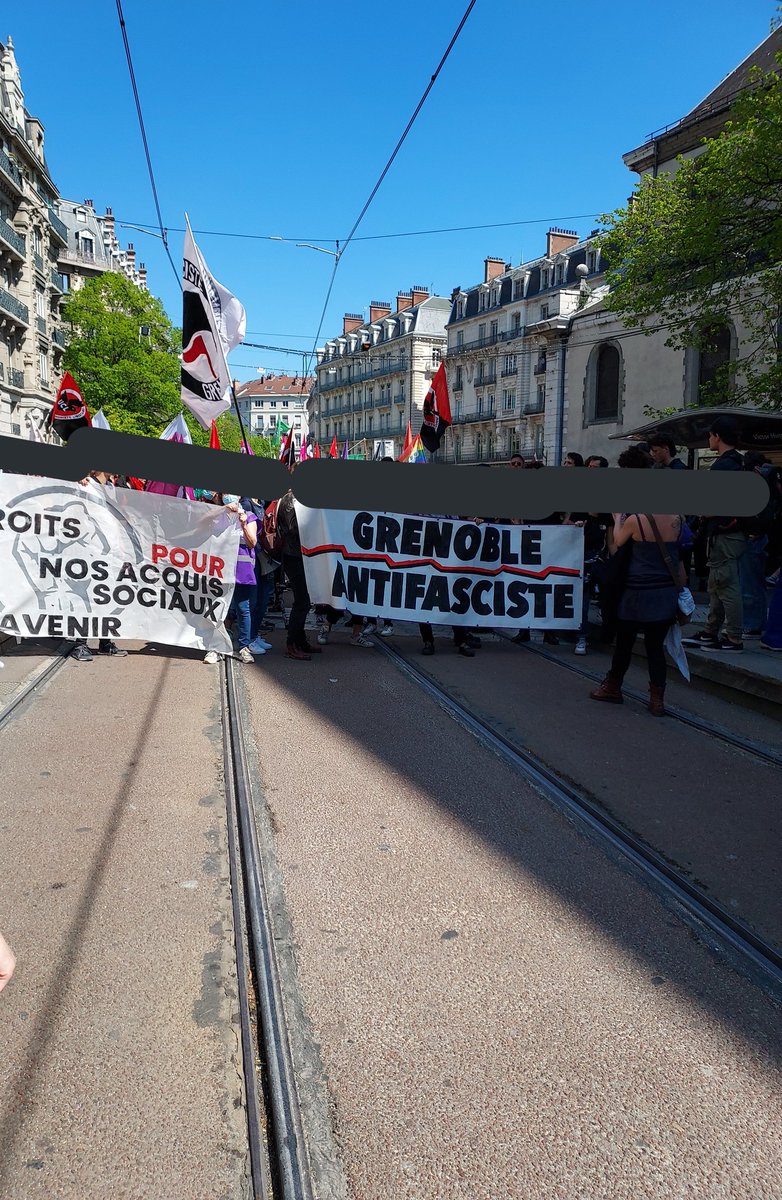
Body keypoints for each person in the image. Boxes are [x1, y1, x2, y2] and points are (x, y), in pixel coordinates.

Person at [589, 507, 685, 716]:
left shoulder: (637, 520)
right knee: (655, 648)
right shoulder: (677, 520)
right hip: (664, 593)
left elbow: (616, 545)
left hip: (636, 593)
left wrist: (617, 519)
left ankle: (612, 687)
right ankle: (657, 699)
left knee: (624, 643)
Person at [682, 417, 746, 652]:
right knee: (717, 585)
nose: (709, 439)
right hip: (730, 534)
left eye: (710, 435)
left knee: (726, 586)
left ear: (717, 436)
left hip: (725, 534)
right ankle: (711, 631)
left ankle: (734, 638)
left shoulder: (724, 465)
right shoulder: (738, 462)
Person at [71, 470, 128, 662]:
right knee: (85, 598)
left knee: (105, 598)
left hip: (110, 555)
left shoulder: (111, 488)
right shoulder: (84, 485)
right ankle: (80, 644)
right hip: (89, 553)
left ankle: (105, 642)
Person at [276, 484, 321, 660]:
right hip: (293, 555)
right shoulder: (290, 500)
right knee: (301, 601)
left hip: (301, 555)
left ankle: (300, 641)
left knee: (306, 600)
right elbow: (292, 528)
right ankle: (292, 644)